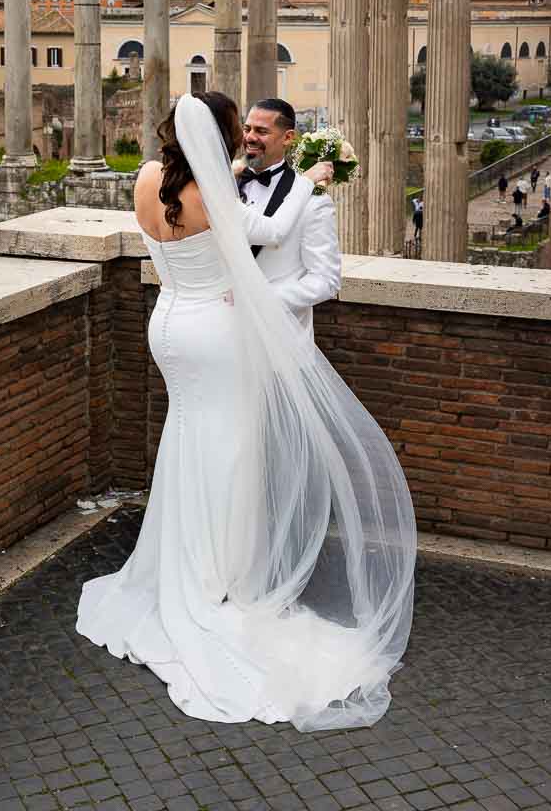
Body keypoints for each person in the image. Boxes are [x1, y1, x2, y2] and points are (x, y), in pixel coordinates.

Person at [76, 91, 416, 731]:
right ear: (226, 135)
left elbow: (307, 268)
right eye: (242, 129)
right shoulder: (224, 195)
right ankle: (217, 577)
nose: (249, 139)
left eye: (261, 131)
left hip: (169, 324)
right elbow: (264, 232)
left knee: (188, 439)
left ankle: (186, 563)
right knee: (229, 450)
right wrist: (313, 181)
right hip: (217, 333)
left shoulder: (150, 177)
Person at [237, 99, 341, 339]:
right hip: (224, 331)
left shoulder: (312, 200)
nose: (250, 137)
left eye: (262, 131)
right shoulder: (225, 186)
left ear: (288, 137)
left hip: (280, 336)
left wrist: (264, 302)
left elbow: (326, 280)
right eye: (247, 129)